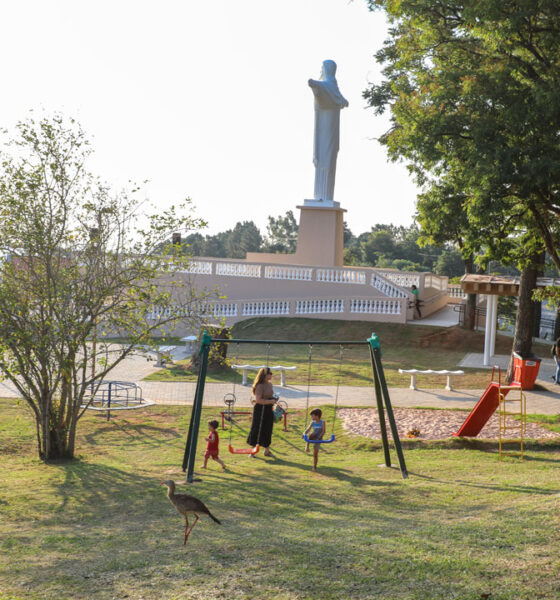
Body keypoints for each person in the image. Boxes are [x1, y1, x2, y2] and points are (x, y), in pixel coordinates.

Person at [246, 367, 277, 457]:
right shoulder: (259, 386)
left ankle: (267, 451)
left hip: (268, 409)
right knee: (257, 428)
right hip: (260, 409)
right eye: (269, 373)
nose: (271, 374)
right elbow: (258, 400)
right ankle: (252, 451)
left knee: (268, 429)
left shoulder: (270, 384)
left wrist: (274, 399)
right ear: (264, 374)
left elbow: (269, 396)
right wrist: (270, 401)